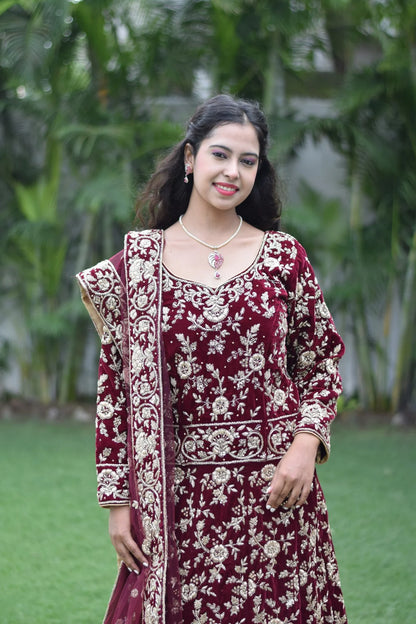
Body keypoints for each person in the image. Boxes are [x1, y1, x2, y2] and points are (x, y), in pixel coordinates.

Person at [76, 94, 347, 624]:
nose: (233, 172)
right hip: (181, 505)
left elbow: (321, 361)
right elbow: (116, 392)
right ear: (190, 157)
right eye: (220, 155)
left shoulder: (282, 256)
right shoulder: (138, 265)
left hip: (278, 494)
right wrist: (117, 504)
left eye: (248, 161)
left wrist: (305, 445)